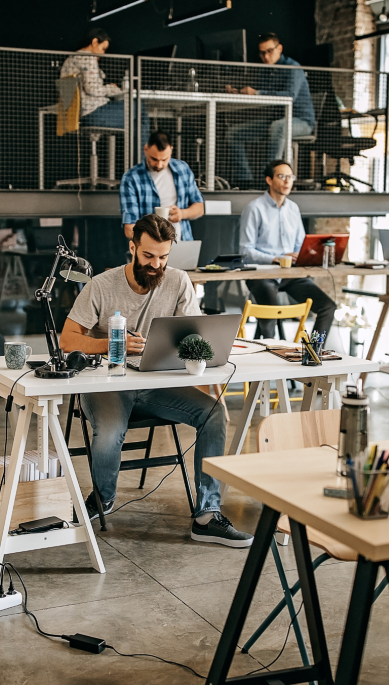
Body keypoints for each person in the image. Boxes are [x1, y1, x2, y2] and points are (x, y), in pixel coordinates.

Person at [59, 214, 253, 548]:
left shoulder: (178, 282)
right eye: (148, 256)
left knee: (214, 413)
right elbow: (67, 340)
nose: (156, 264)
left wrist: (201, 350)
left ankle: (206, 515)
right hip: (107, 383)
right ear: (132, 247)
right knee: (108, 433)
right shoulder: (102, 286)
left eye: (163, 257)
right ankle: (103, 500)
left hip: (155, 381)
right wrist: (110, 344)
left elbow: (195, 333)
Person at [238, 159, 336, 340]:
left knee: (328, 307)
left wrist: (305, 255)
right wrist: (276, 258)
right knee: (270, 317)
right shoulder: (254, 208)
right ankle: (270, 362)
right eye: (281, 176)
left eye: (290, 177)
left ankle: (312, 352)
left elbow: (300, 244)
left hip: (291, 275)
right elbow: (245, 250)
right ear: (269, 180)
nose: (287, 181)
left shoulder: (293, 208)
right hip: (262, 275)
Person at [224, 32, 316, 186]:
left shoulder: (293, 68)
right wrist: (240, 91)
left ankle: (271, 180)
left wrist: (257, 92)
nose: (266, 57)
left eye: (269, 51)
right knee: (233, 133)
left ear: (279, 49)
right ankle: (245, 180)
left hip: (302, 122)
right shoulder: (266, 70)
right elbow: (261, 91)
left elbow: (290, 95)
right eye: (262, 53)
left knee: (278, 127)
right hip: (276, 121)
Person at [60, 28, 148, 142]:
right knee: (140, 108)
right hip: (94, 114)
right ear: (94, 42)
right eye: (103, 48)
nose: (103, 53)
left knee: (137, 127)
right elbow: (92, 89)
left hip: (77, 116)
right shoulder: (88, 57)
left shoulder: (70, 59)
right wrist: (112, 88)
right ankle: (147, 159)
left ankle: (141, 158)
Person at [119, 131, 204, 241]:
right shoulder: (131, 178)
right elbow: (129, 229)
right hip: (150, 252)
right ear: (146, 149)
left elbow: (199, 208)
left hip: (183, 243)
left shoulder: (183, 169)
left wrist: (182, 213)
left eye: (164, 159)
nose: (159, 165)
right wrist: (155, 238)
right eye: (154, 159)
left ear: (171, 151)